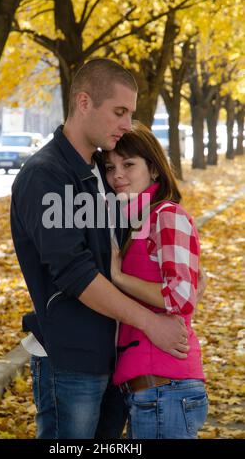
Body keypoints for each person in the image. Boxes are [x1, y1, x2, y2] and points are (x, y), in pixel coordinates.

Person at [10, 58, 197, 440]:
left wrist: (187, 287)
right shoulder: (46, 175)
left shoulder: (101, 171)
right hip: (72, 360)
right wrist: (152, 324)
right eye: (119, 112)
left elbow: (136, 250)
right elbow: (77, 274)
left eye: (130, 113)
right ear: (83, 103)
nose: (128, 124)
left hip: (116, 360)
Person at [103, 120, 208, 439]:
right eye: (110, 167)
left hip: (165, 391)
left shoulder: (166, 215)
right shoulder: (139, 222)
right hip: (151, 392)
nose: (117, 174)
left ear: (155, 171)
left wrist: (118, 277)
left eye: (129, 164)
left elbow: (180, 297)